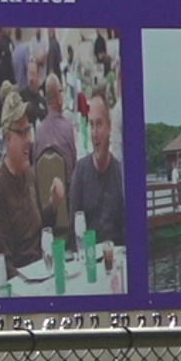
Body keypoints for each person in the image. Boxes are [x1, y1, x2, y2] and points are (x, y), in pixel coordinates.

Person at [0, 83, 63, 267]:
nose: (29, 140)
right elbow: (2, 263)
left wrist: (53, 205)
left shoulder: (30, 175)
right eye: (22, 133)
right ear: (8, 139)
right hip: (22, 284)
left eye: (29, 131)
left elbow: (41, 230)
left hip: (43, 269)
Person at [68, 93, 125, 251]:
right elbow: (72, 234)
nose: (94, 134)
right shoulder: (80, 172)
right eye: (91, 125)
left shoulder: (119, 174)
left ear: (109, 127)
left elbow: (125, 232)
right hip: (88, 259)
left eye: (99, 125)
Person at [35, 74, 78, 168]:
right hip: (65, 182)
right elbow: (74, 166)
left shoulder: (38, 132)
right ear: (58, 97)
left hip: (43, 182)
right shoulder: (67, 128)